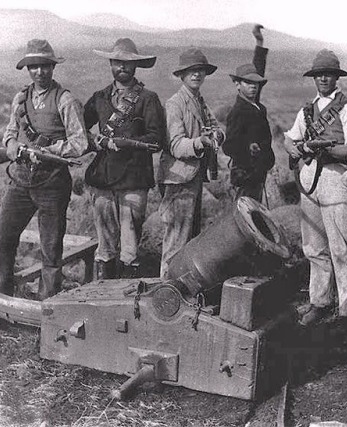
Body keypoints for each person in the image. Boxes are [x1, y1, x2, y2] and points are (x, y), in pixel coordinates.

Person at [0, 39, 88, 300]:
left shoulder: (66, 100)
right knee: (3, 239)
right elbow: (10, 132)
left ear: (52, 68)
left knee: (51, 249)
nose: (39, 72)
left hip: (52, 183)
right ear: (28, 69)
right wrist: (11, 145)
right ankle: (0, 297)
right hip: (20, 180)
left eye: (44, 66)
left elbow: (80, 143)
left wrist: (53, 151)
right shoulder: (20, 98)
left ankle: (49, 306)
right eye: (33, 66)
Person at [283, 49, 347, 326]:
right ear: (314, 78)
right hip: (309, 180)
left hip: (335, 180)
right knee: (314, 247)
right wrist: (296, 147)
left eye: (328, 74)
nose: (323, 79)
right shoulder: (306, 111)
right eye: (319, 75)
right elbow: (290, 140)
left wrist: (329, 151)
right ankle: (320, 301)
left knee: (340, 247)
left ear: (336, 77)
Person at [83, 38, 165, 279]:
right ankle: (102, 296)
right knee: (105, 245)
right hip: (104, 179)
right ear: (110, 63)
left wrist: (126, 144)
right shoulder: (99, 97)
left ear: (136, 66)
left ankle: (128, 300)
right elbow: (78, 129)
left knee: (129, 247)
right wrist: (93, 141)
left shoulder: (148, 99)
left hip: (133, 179)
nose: (123, 67)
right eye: (118, 62)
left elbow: (156, 139)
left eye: (128, 63)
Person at [157, 48, 225, 278]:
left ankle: (179, 291)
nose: (197, 75)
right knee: (176, 241)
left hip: (192, 178)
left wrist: (217, 136)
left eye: (200, 71)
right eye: (191, 71)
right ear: (182, 75)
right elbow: (176, 145)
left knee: (189, 239)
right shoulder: (175, 104)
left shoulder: (199, 102)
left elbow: (216, 128)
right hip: (178, 180)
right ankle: (166, 291)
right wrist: (200, 142)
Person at [223, 24, 274, 202]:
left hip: (258, 173)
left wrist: (260, 42)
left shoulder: (254, 104)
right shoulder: (238, 112)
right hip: (245, 176)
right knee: (246, 216)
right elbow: (228, 146)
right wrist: (248, 147)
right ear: (237, 85)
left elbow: (258, 69)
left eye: (256, 83)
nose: (253, 86)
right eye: (247, 83)